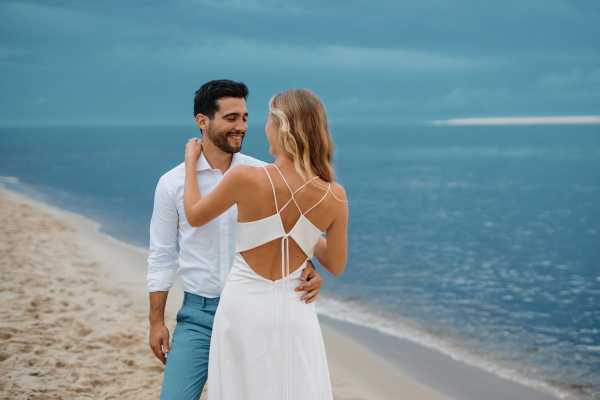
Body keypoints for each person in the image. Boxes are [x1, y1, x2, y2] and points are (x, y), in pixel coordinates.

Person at [147, 80, 324, 400]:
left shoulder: (265, 175)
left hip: (255, 312)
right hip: (198, 317)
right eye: (231, 118)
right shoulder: (172, 183)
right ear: (203, 121)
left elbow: (288, 235)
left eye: (244, 117)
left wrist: (308, 267)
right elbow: (161, 254)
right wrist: (156, 321)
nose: (241, 126)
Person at [183, 88, 349, 399]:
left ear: (282, 127)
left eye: (267, 121)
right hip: (295, 310)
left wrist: (191, 163)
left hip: (242, 307)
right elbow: (336, 264)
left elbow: (194, 215)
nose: (262, 128)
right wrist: (305, 233)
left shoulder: (246, 178)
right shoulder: (334, 195)